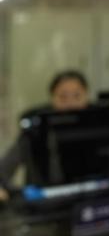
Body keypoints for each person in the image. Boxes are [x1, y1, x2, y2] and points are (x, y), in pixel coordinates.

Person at [0, 70, 90, 201]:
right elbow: (4, 169)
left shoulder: (98, 128)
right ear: (52, 99)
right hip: (45, 204)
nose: (70, 104)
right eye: (63, 97)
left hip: (88, 201)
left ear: (87, 97)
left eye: (77, 96)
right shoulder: (35, 131)